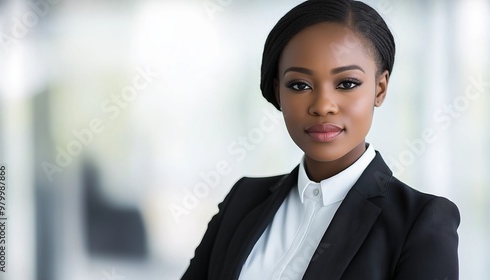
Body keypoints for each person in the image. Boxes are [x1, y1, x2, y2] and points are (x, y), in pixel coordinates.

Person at [182, 0, 460, 279]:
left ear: (380, 88)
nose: (323, 105)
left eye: (347, 83)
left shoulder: (421, 221)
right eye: (300, 85)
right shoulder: (242, 200)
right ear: (278, 92)